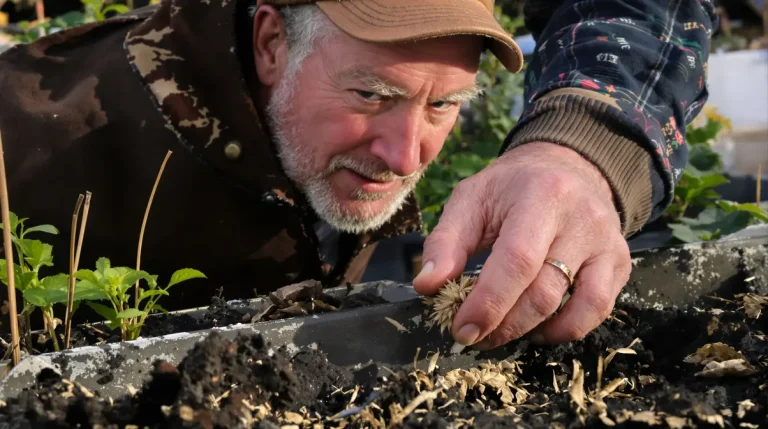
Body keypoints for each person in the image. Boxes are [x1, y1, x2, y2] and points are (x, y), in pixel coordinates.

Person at [0, 0, 717, 348]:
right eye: (371, 95)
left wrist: (583, 151)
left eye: (446, 104)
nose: (406, 158)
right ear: (272, 41)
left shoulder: (332, 128)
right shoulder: (29, 143)